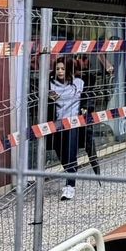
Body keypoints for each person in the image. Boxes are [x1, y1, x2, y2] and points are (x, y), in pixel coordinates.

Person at [49, 58, 85, 200]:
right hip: (57, 123)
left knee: (71, 153)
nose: (60, 71)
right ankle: (71, 171)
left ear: (68, 69)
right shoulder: (50, 83)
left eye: (63, 69)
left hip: (73, 122)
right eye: (57, 68)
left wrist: (86, 108)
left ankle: (70, 186)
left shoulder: (78, 83)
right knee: (60, 151)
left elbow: (85, 98)